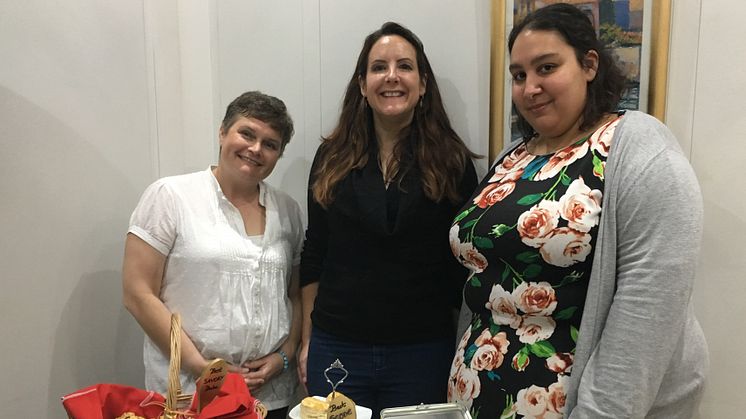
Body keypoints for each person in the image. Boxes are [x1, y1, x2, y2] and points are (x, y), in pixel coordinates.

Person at [447, 4, 708, 418]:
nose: (530, 87)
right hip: (477, 392)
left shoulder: (638, 148)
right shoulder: (511, 158)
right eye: (519, 75)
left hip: (577, 404)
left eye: (546, 68)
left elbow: (648, 308)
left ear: (589, 64)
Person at [299, 21, 479, 417]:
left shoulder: (452, 161)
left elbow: (462, 265)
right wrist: (307, 340)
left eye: (405, 66)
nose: (392, 76)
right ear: (362, 85)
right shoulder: (331, 159)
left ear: (424, 84)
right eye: (379, 67)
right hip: (337, 347)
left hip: (423, 350)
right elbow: (316, 252)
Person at [122, 91, 303, 419]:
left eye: (270, 144)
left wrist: (285, 356)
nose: (255, 149)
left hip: (268, 397)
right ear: (222, 132)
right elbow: (137, 294)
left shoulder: (287, 210)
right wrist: (202, 366)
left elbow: (293, 295)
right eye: (246, 133)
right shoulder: (171, 197)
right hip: (190, 397)